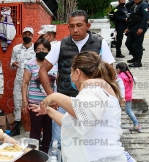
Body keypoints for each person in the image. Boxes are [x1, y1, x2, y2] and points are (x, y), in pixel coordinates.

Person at [31, 51, 129, 162]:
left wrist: (55, 97)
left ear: (77, 73)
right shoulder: (98, 89)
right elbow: (71, 123)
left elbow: (82, 111)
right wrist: (48, 111)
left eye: (71, 72)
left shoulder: (93, 88)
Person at [39, 10, 115, 149]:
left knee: (89, 142)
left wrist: (105, 93)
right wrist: (51, 96)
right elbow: (43, 69)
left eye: (79, 25)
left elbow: (110, 71)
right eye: (71, 26)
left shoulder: (100, 43)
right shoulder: (60, 45)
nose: (75, 29)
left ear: (88, 25)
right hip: (64, 101)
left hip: (91, 103)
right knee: (60, 143)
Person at [21, 38, 52, 153]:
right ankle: (34, 154)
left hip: (50, 103)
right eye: (38, 49)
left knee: (49, 130)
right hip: (34, 103)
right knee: (35, 130)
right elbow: (25, 82)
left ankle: (46, 153)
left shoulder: (54, 65)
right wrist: (24, 100)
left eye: (44, 49)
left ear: (49, 51)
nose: (41, 51)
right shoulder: (30, 64)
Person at [10, 26, 36, 136]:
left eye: (29, 34)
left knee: (33, 104)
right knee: (17, 103)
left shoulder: (36, 49)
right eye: (25, 34)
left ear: (32, 36)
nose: (27, 36)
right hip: (19, 81)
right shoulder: (16, 49)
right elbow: (11, 64)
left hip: (33, 81)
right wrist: (13, 64)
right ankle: (17, 127)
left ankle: (35, 128)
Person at [116, 62, 142, 131]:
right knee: (128, 110)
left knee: (118, 110)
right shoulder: (129, 74)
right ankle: (136, 124)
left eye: (116, 70)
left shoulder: (120, 77)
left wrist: (122, 97)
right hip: (129, 95)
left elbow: (121, 87)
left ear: (118, 69)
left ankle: (136, 124)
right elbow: (135, 79)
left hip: (123, 96)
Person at [125, 0, 149, 67]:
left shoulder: (144, 5)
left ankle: (138, 61)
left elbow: (145, 17)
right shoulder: (135, 5)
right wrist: (128, 27)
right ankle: (135, 57)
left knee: (138, 44)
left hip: (139, 26)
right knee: (128, 43)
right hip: (133, 26)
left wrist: (141, 28)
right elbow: (132, 17)